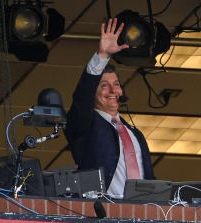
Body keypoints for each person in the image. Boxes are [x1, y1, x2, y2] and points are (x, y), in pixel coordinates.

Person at [65, 18, 154, 198]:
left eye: (116, 84)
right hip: (104, 213)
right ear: (93, 92)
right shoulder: (85, 124)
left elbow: (149, 178)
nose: (113, 90)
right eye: (104, 85)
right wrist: (102, 56)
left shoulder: (135, 133)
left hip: (141, 212)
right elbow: (82, 98)